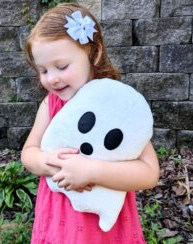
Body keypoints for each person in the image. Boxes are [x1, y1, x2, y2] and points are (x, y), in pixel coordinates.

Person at [21, 3, 159, 243]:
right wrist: (49, 163)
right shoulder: (51, 105)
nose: (52, 78)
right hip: (59, 222)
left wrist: (92, 171)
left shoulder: (117, 106)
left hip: (104, 230)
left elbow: (148, 173)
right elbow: (29, 152)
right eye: (42, 70)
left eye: (61, 66)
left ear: (94, 53)